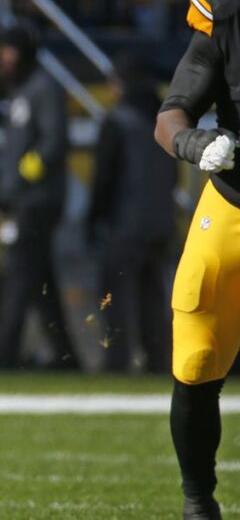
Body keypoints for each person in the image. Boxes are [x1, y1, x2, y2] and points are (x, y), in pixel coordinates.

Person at [154, 0, 240, 520]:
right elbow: (171, 115)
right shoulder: (228, 11)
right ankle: (198, 501)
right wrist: (194, 141)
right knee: (196, 357)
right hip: (233, 207)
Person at [0, 23, 79, 369]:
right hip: (28, 200)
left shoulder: (43, 88)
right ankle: (66, 355)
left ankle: (2, 354)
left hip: (37, 200)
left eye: (8, 51)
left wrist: (22, 176)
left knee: (19, 276)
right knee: (42, 282)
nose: (3, 58)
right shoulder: (23, 89)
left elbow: (55, 141)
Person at [87, 57, 176, 373]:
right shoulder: (164, 121)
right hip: (161, 223)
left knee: (115, 296)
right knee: (153, 297)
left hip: (126, 224)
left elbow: (104, 178)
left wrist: (94, 218)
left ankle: (117, 361)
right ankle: (157, 361)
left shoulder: (118, 121)